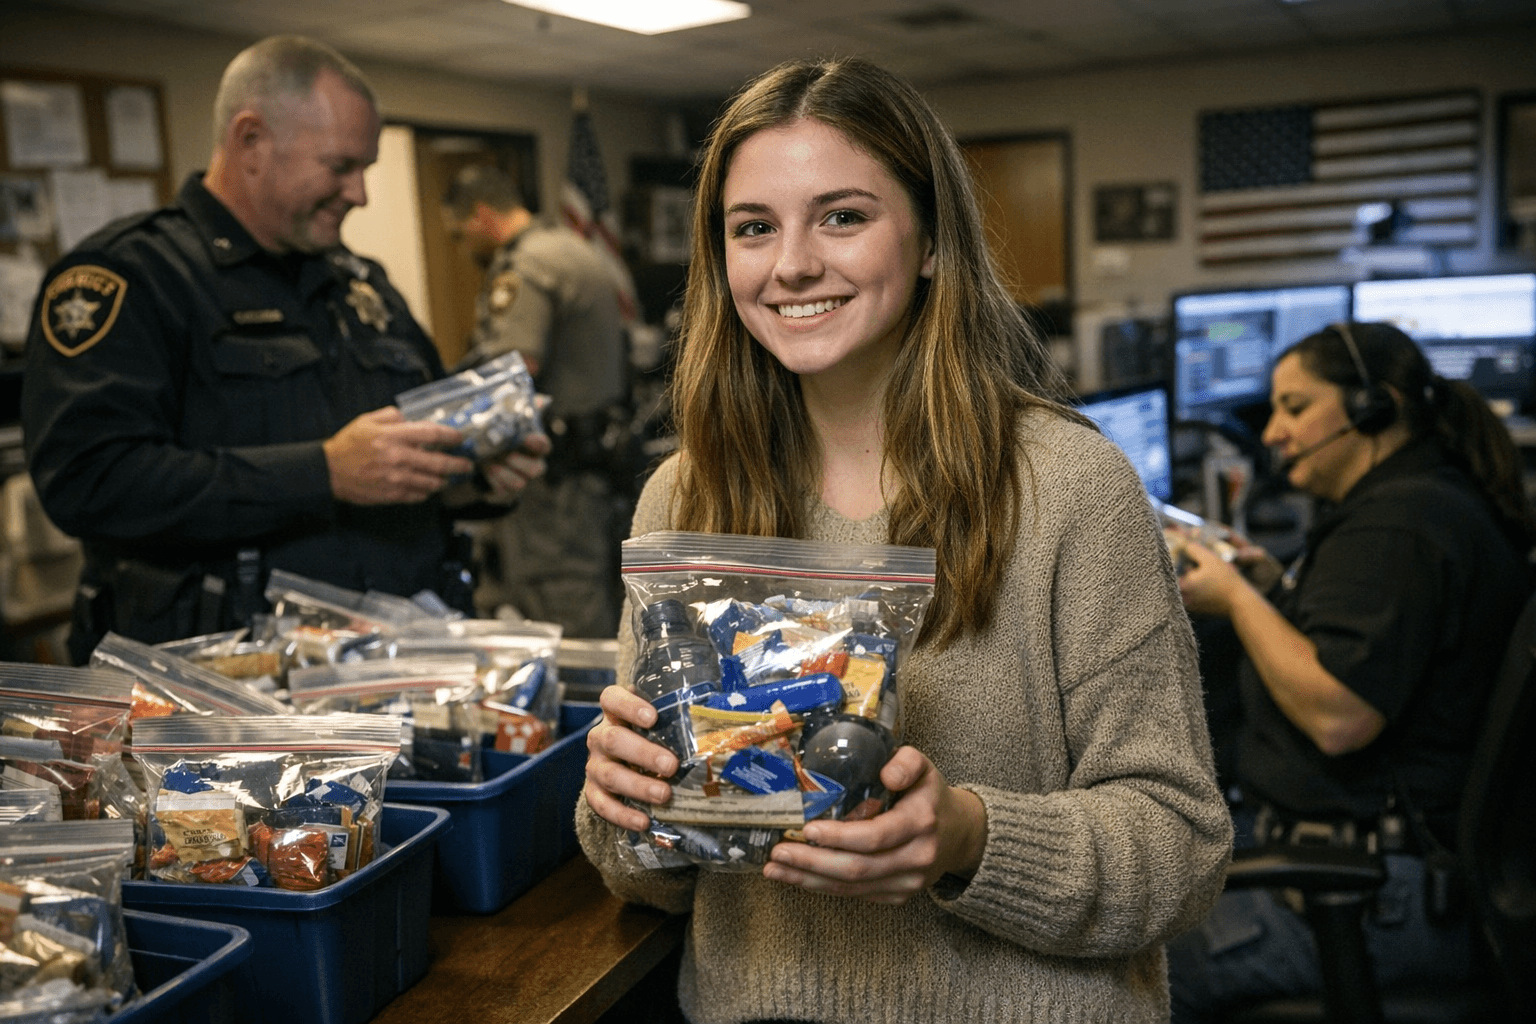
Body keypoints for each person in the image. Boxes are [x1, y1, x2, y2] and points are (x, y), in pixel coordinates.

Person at [577, 56, 1232, 1024]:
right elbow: (651, 875)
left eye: (843, 216)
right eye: (753, 227)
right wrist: (624, 804)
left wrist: (968, 836)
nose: (792, 262)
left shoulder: (1068, 486)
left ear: (930, 240)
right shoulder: (683, 495)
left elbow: (1180, 851)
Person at [21, 35, 548, 664]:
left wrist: (467, 479)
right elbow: (89, 482)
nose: (360, 194)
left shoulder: (361, 283)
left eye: (366, 169)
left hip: (396, 664)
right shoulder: (134, 276)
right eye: (340, 166)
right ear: (250, 141)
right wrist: (322, 472)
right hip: (228, 692)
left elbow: (399, 455)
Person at [1166, 322, 1534, 1021]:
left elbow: (1340, 714)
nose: (1273, 431)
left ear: (1373, 407)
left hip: (1371, 896)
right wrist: (1277, 590)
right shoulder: (1422, 497)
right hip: (1390, 866)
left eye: (1295, 407)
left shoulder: (1396, 529)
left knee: (1117, 971)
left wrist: (1238, 599)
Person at [441, 162, 631, 636]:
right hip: (602, 466)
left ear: (482, 215)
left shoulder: (525, 265)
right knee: (606, 598)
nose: (464, 248)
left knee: (562, 609)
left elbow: (513, 370)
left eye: (461, 235)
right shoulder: (572, 248)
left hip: (556, 483)